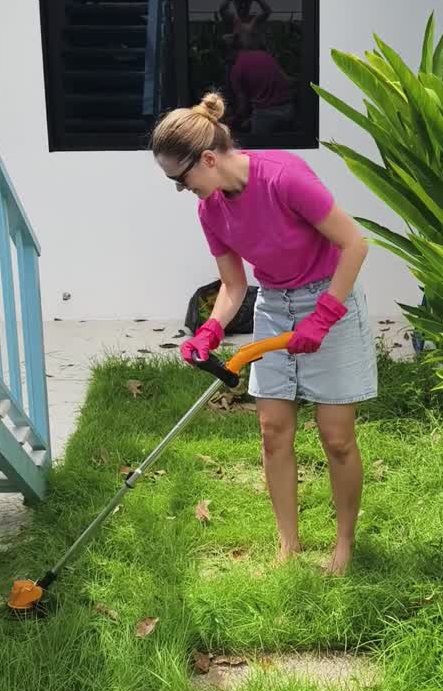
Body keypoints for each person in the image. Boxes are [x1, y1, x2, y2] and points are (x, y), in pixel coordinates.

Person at [151, 93, 376, 576]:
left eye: (180, 179)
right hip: (274, 306)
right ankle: (289, 547)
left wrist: (324, 316)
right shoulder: (211, 210)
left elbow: (355, 244)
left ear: (208, 159)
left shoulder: (285, 177)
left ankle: (343, 545)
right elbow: (234, 285)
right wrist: (211, 327)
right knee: (274, 432)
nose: (181, 189)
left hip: (329, 297)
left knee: (336, 439)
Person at [229, 32, 294, 135]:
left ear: (230, 53)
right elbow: (287, 80)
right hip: (287, 110)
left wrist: (233, 121)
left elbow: (242, 106)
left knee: (260, 148)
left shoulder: (236, 69)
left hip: (264, 116)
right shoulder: (265, 55)